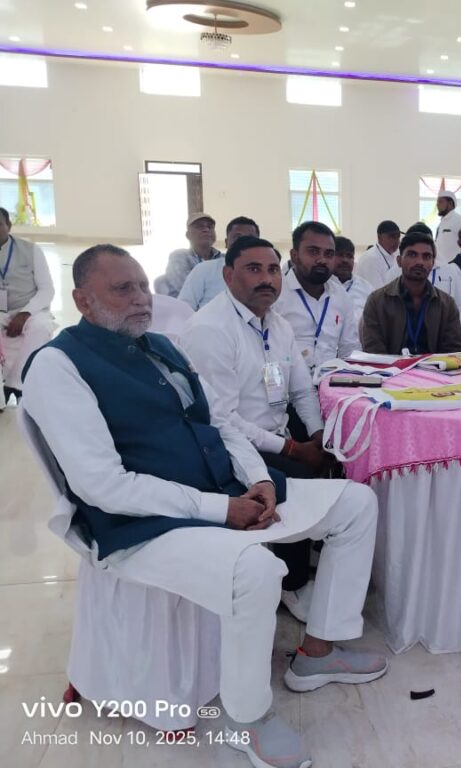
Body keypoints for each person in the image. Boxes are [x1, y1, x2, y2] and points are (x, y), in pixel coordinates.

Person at [21, 244, 386, 768]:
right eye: (122, 289)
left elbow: (221, 423)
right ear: (82, 300)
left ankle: (318, 652)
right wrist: (220, 509)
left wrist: (260, 480)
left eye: (142, 285)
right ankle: (246, 719)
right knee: (256, 571)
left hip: (221, 488)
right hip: (144, 524)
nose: (141, 298)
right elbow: (103, 485)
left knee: (355, 503)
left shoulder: (161, 347)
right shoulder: (59, 365)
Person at [182, 236, 333, 622]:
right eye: (253, 269)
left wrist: (318, 436)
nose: (266, 279)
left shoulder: (277, 324)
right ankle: (292, 583)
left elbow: (301, 389)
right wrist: (292, 449)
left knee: (334, 452)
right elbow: (222, 419)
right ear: (228, 275)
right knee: (299, 478)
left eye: (272, 270)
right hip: (227, 446)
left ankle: (303, 545)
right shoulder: (211, 329)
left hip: (275, 431)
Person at [360, 231, 461, 355]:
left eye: (426, 256)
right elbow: (374, 353)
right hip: (390, 367)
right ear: (399, 261)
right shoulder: (377, 302)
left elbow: (453, 352)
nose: (419, 262)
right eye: (412, 255)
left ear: (433, 263)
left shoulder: (447, 304)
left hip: (435, 367)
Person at [276, 221, 359, 372]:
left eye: (329, 254)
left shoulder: (340, 296)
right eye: (313, 252)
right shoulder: (276, 293)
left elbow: (349, 349)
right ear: (294, 256)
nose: (322, 260)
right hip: (287, 381)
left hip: (331, 380)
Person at [0, 206, 56, 403]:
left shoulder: (31, 250)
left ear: (8, 226)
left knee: (41, 327)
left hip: (29, 308)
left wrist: (25, 313)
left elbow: (47, 290)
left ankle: (16, 383)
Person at [178, 216, 260, 310]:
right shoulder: (204, 270)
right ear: (226, 242)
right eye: (237, 237)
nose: (244, 242)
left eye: (250, 238)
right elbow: (182, 309)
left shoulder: (266, 275)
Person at [160, 212, 221, 298]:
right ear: (188, 235)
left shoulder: (224, 258)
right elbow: (187, 290)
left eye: (210, 227)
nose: (206, 229)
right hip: (185, 306)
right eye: (199, 226)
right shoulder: (179, 257)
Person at [332, 235, 372, 318]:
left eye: (349, 256)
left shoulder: (367, 288)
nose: (345, 260)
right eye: (340, 255)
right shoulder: (320, 286)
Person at [354, 220, 401, 289]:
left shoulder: (395, 255)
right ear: (379, 237)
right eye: (391, 237)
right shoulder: (370, 259)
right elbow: (377, 292)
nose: (396, 241)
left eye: (398, 237)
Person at [434, 190, 461, 263]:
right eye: (437, 202)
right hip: (441, 264)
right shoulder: (442, 222)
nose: (437, 205)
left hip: (455, 265)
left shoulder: (460, 221)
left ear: (450, 203)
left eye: (440, 202)